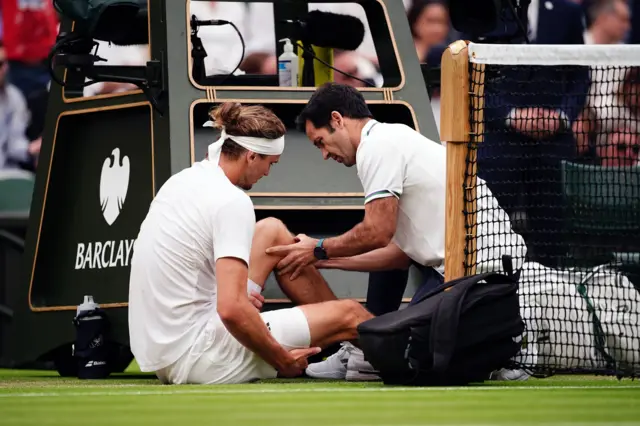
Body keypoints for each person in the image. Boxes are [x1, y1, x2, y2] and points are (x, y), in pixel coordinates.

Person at [265, 83, 527, 381]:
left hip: (478, 279)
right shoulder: (391, 137)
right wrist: (323, 261)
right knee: (392, 323)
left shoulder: (377, 147)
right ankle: (367, 351)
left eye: (320, 142)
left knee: (401, 350)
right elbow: (398, 255)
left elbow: (377, 232)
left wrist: (318, 248)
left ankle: (490, 352)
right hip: (475, 269)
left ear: (337, 119)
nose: (324, 154)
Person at [128, 102, 375, 385]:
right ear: (251, 156)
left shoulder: (183, 180)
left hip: (166, 351)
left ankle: (347, 348)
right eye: (270, 164)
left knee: (271, 230)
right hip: (200, 356)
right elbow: (231, 310)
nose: (268, 174)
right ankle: (396, 358)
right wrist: (281, 359)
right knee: (351, 314)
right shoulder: (232, 201)